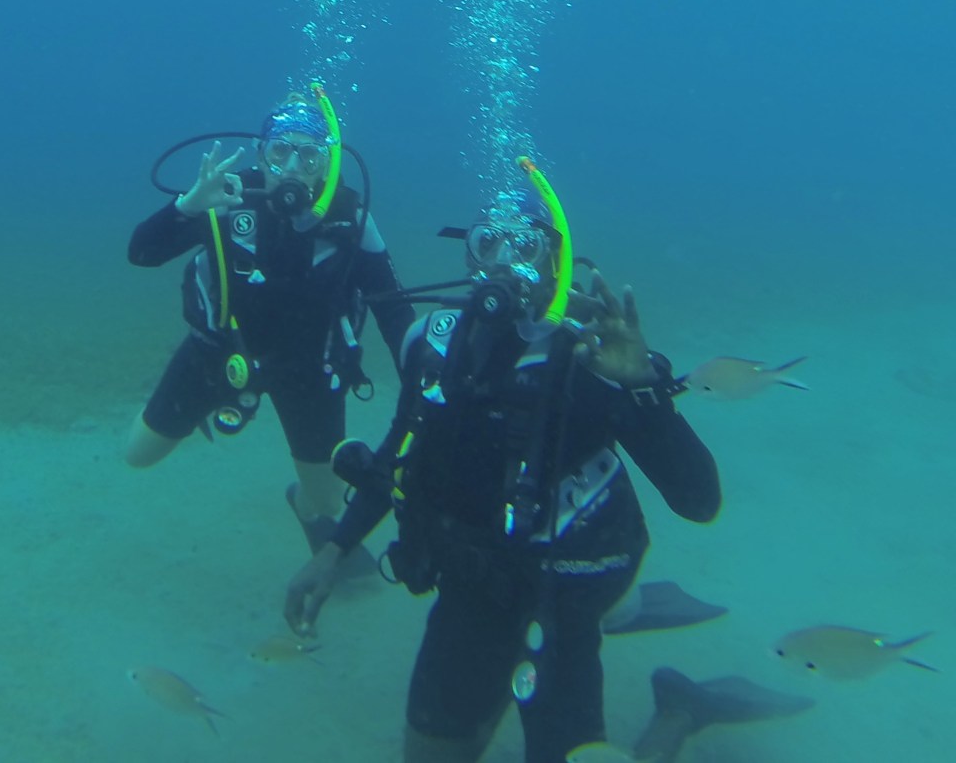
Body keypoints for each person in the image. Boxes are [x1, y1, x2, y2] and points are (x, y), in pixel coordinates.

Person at [284, 162, 721, 762]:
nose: (501, 263)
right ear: (467, 255)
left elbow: (700, 501)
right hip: (474, 586)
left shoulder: (593, 356)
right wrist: (336, 549)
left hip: (566, 585)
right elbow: (399, 451)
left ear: (555, 260)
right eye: (486, 242)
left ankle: (680, 710)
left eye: (524, 247)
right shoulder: (433, 345)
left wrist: (642, 386)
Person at [125, 87, 415, 551]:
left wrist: (422, 376)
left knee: (327, 504)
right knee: (137, 455)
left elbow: (393, 307)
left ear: (327, 163)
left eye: (309, 157)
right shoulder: (225, 195)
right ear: (261, 155)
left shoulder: (351, 221)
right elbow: (141, 253)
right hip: (218, 354)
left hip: (310, 371)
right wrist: (187, 206)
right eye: (280, 152)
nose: (293, 170)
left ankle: (301, 507)